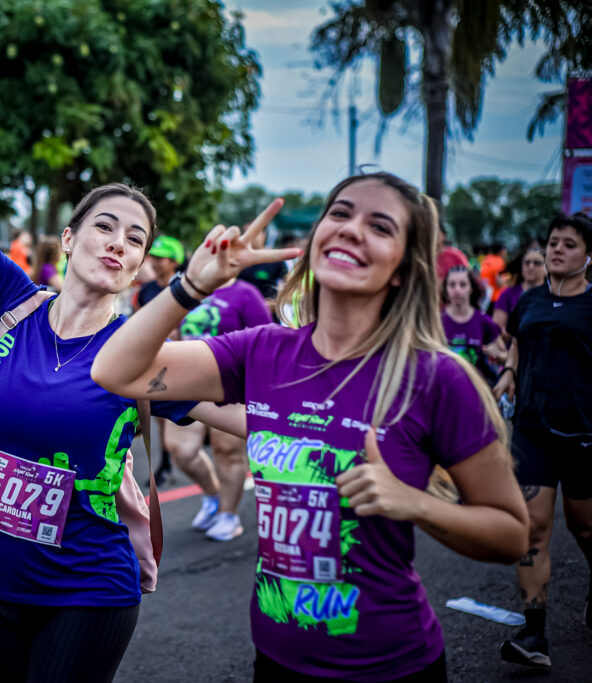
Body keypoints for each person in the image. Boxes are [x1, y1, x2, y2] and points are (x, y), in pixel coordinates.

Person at [93, 171, 529, 681]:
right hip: (275, 660)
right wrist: (193, 286)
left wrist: (414, 502)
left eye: (380, 225)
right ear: (317, 239)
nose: (349, 228)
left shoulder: (436, 379)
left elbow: (512, 534)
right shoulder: (263, 350)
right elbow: (115, 371)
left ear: (400, 270)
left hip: (391, 666)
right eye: (339, 214)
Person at [0, 5, 202, 680]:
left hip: (88, 589)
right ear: (68, 239)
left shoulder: (139, 353)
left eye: (135, 238)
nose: (118, 243)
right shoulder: (7, 304)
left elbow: (241, 406)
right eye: (105, 226)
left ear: (141, 262)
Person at [493, 212, 592, 669]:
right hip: (532, 429)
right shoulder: (529, 300)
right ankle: (534, 634)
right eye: (553, 242)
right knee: (532, 527)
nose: (556, 250)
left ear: (588, 255)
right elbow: (516, 341)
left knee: (584, 525)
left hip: (584, 434)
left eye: (569, 244)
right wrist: (511, 369)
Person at [167, 276, 272, 541]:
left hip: (231, 384)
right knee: (181, 450)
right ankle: (212, 495)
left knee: (227, 451)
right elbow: (175, 333)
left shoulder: (245, 293)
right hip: (187, 382)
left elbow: (266, 341)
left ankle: (229, 514)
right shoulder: (187, 287)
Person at [136, 234, 186, 486]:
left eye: (162, 258)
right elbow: (137, 321)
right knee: (157, 416)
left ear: (175, 261)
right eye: (153, 257)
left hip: (181, 359)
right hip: (153, 359)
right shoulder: (147, 289)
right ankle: (165, 463)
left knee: (178, 417)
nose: (155, 262)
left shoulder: (184, 288)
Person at [441, 265, 506, 383]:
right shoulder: (436, 321)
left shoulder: (483, 321)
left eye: (463, 284)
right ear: (445, 289)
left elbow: (505, 356)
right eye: (452, 285)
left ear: (471, 288)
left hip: (476, 389)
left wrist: (498, 354)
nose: (457, 290)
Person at [492, 245, 545, 337]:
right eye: (527, 262)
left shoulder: (554, 294)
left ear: (547, 268)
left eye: (537, 263)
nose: (531, 266)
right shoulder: (508, 294)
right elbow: (496, 327)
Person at [237, 230, 289, 300]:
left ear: (263, 235)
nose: (252, 238)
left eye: (255, 234)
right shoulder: (239, 259)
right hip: (242, 305)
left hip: (267, 306)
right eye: (248, 234)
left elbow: (287, 281)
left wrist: (276, 301)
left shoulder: (273, 257)